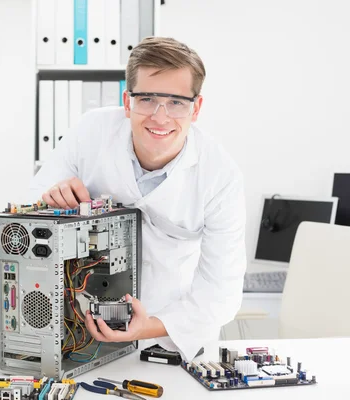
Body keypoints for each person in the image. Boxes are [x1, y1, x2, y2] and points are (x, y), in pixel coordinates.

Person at [27, 37, 246, 361]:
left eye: (176, 102)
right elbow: (33, 201)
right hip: (80, 327)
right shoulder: (91, 133)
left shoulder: (219, 175)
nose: (160, 117)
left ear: (195, 108)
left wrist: (150, 327)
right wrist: (51, 199)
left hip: (172, 333)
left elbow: (222, 293)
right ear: (127, 101)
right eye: (147, 99)